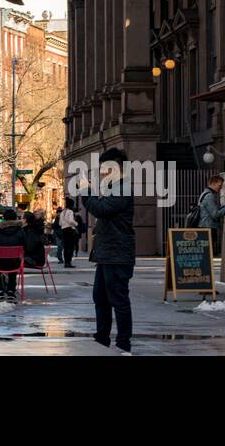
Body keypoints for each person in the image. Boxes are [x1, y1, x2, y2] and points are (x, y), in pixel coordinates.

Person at [81, 147, 135, 353]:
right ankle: (101, 338)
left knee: (118, 299)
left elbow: (102, 209)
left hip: (117, 254)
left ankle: (123, 343)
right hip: (107, 253)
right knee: (101, 298)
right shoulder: (114, 187)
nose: (101, 172)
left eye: (104, 167)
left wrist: (86, 191)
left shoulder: (123, 188)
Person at [0, 208, 27, 299]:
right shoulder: (20, 231)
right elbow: (25, 246)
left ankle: (0, 291)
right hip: (14, 263)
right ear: (15, 218)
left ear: (3, 218)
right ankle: (10, 291)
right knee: (13, 268)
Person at [195, 174, 225, 254]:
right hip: (208, 227)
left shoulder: (205, 194)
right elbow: (215, 214)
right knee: (207, 253)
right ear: (213, 183)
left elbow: (213, 210)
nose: (221, 187)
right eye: (220, 185)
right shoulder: (209, 196)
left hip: (205, 226)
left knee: (206, 252)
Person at [57, 199, 81, 268]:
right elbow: (70, 220)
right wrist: (76, 224)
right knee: (70, 247)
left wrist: (64, 224)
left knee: (66, 247)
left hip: (64, 230)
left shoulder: (62, 212)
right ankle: (69, 262)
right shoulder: (70, 211)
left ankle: (66, 262)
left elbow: (60, 223)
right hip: (70, 230)